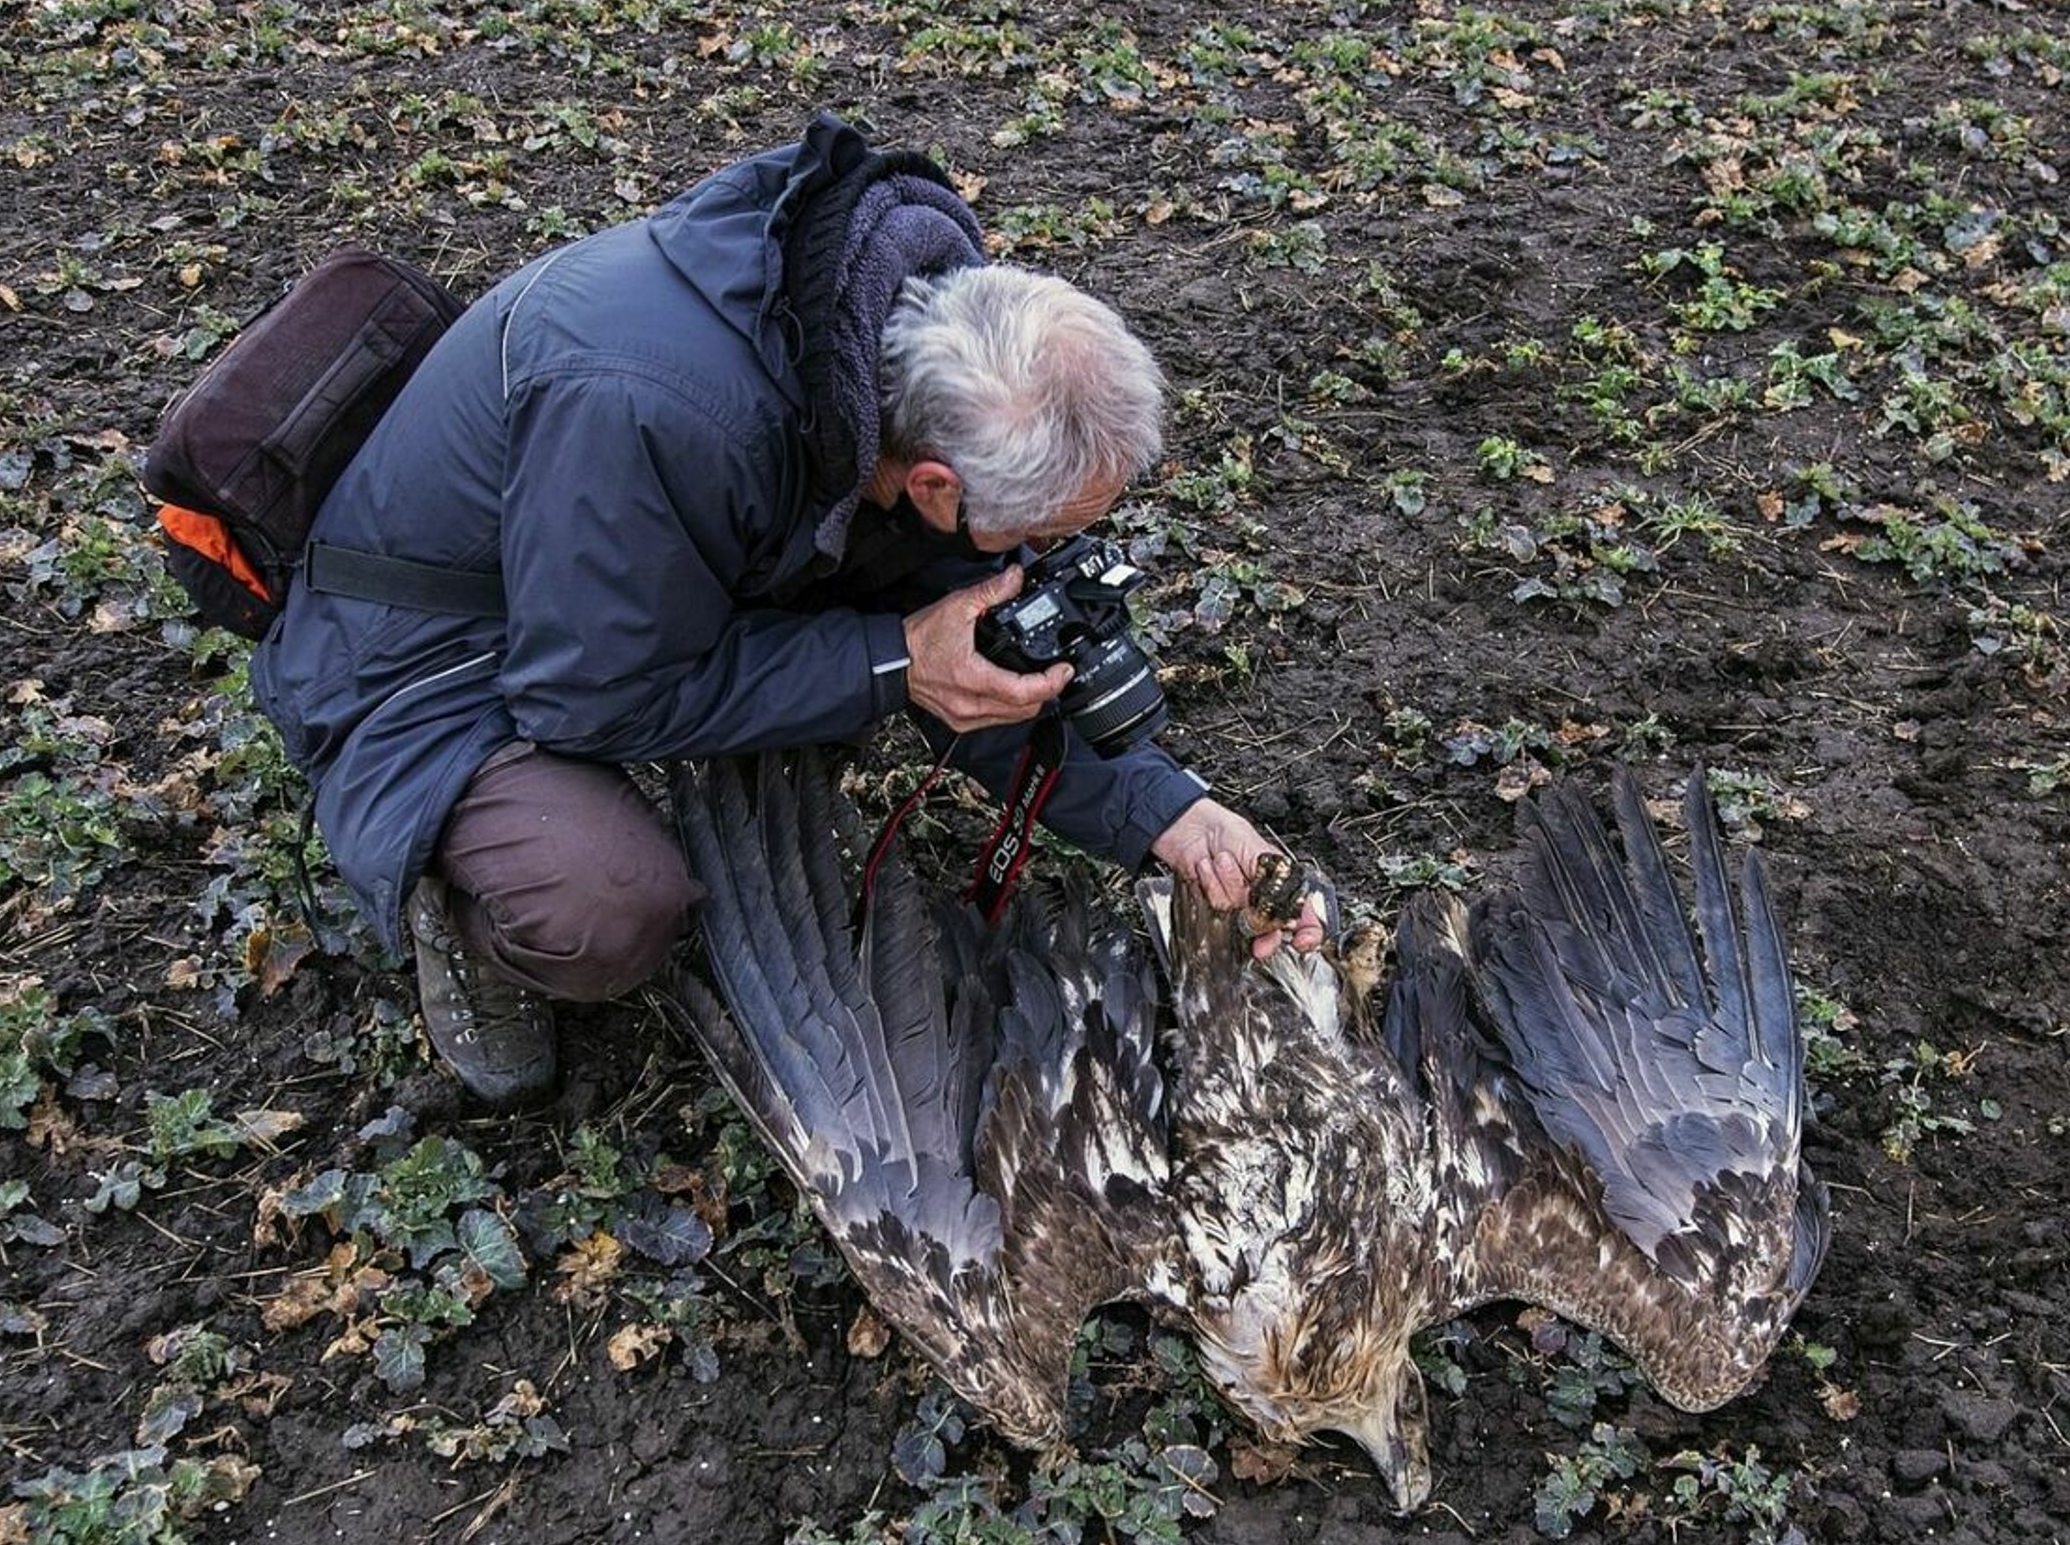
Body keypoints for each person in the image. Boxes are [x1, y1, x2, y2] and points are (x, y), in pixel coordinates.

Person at [251, 113, 1322, 1104]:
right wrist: (898, 661)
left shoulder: (890, 352)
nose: (1045, 557)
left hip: (620, 586)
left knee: (856, 661)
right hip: (428, 652)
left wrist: (1174, 820)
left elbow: (980, 646)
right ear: (939, 486)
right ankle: (458, 898)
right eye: (1033, 532)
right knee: (609, 906)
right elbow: (590, 699)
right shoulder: (659, 412)